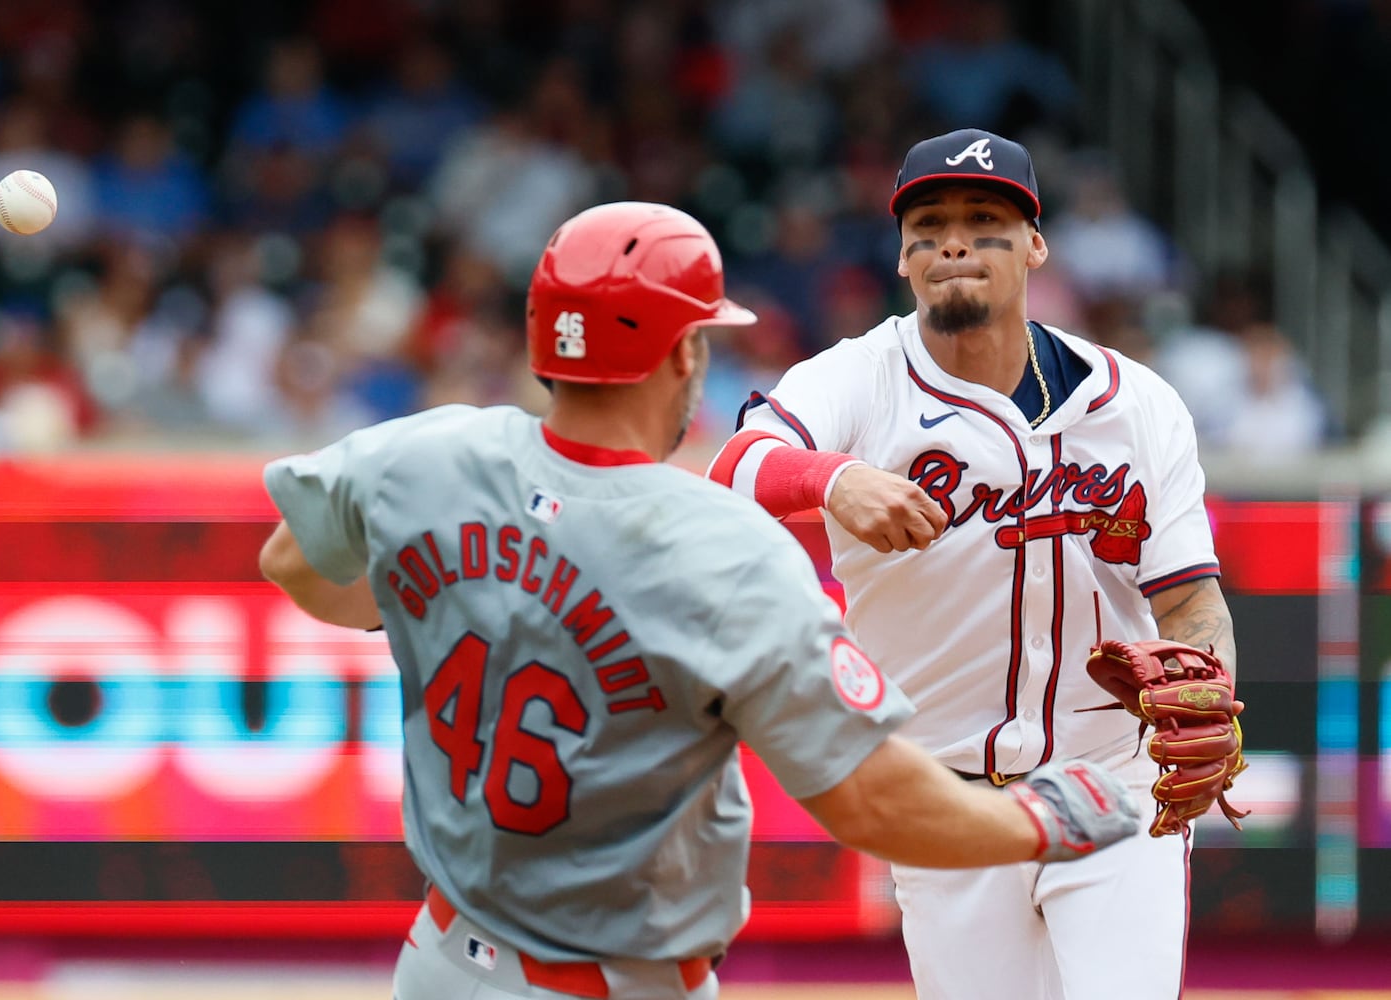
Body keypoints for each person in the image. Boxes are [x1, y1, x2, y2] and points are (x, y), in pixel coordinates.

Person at [258, 201, 1139, 1000]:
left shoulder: (432, 452)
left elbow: (290, 557)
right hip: (611, 983)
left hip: (439, 963)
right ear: (684, 353)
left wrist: (433, 598)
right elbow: (870, 801)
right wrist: (1037, 819)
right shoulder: (721, 549)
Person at [706, 129, 1238, 1000]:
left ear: (1035, 246)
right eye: (931, 223)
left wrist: (1210, 685)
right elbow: (735, 464)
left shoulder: (1137, 402)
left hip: (1111, 774)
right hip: (943, 797)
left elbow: (1187, 597)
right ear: (905, 258)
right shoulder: (861, 377)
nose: (955, 240)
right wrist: (832, 478)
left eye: (986, 221)